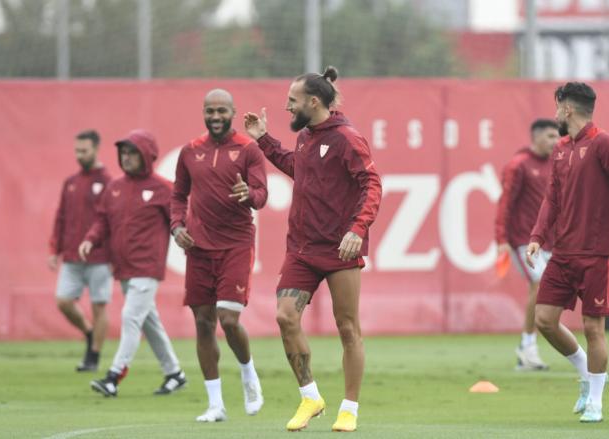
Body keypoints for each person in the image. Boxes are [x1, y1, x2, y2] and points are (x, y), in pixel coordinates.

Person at [244, 66, 382, 432]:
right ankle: (311, 397)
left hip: (339, 248)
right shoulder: (307, 136)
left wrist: (357, 228)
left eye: (292, 100)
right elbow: (298, 167)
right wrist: (263, 139)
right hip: (302, 249)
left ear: (313, 101)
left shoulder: (348, 139)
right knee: (285, 316)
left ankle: (349, 408)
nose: (287, 106)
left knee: (347, 327)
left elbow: (372, 185)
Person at [527, 82, 609, 423]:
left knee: (593, 328)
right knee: (544, 320)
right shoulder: (560, 149)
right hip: (562, 253)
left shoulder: (603, 143)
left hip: (597, 254)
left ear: (567, 109)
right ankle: (586, 375)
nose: (556, 114)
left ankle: (596, 403)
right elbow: (552, 199)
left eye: (557, 107)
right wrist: (538, 235)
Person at [171, 89, 268, 422]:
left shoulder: (249, 149)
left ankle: (248, 374)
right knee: (202, 322)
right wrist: (176, 227)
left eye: (221, 111)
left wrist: (248, 194)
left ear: (232, 112)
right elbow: (178, 195)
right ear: (203, 112)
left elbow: (262, 195)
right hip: (198, 247)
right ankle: (215, 405)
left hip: (236, 245)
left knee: (228, 319)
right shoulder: (190, 151)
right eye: (210, 111)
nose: (215, 116)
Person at [79, 129, 186, 397]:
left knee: (130, 317)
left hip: (147, 268)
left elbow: (180, 220)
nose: (126, 158)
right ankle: (174, 373)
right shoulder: (115, 188)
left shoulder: (163, 188)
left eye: (132, 153)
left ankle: (114, 375)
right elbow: (102, 220)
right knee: (149, 321)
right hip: (124, 268)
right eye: (123, 153)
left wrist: (186, 237)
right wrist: (90, 239)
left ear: (147, 156)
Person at [495, 119, 559, 371]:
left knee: (551, 292)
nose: (555, 142)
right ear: (536, 137)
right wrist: (501, 240)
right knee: (540, 283)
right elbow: (505, 204)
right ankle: (527, 346)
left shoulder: (556, 165)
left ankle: (529, 346)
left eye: (558, 137)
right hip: (523, 240)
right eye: (551, 137)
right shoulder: (518, 165)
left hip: (550, 241)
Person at [49, 130, 113, 372]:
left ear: (96, 149)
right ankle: (88, 333)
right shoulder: (71, 182)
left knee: (99, 306)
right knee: (64, 301)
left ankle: (93, 357)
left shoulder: (108, 182)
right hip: (72, 256)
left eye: (84, 151)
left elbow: (111, 221)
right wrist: (54, 249)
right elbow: (61, 216)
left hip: (99, 256)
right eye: (77, 150)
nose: (80, 155)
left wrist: (115, 254)